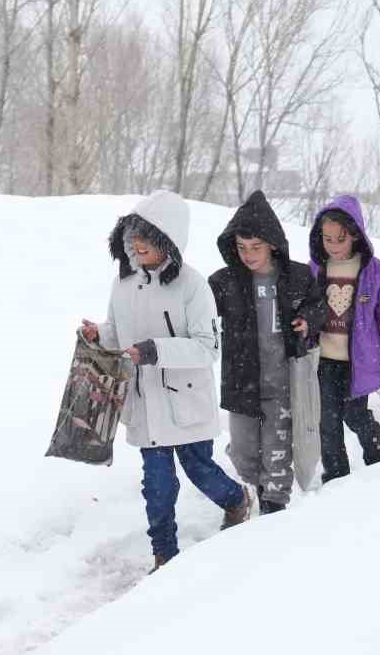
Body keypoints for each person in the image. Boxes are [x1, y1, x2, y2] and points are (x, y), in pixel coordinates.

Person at [80, 190, 251, 571]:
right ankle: (164, 555)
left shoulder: (192, 285)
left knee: (200, 471)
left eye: (147, 240)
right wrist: (99, 334)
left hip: (184, 401)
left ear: (168, 240)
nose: (137, 247)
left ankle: (237, 500)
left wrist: (154, 351)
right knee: (157, 486)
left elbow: (207, 347)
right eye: (133, 238)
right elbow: (118, 332)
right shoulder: (123, 284)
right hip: (144, 403)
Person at [208, 191, 325, 515]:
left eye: (255, 247)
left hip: (283, 384)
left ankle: (274, 506)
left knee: (277, 452)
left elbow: (319, 306)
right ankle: (256, 486)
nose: (248, 254)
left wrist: (308, 319)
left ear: (272, 244)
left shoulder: (297, 276)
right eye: (241, 247)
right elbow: (198, 312)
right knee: (244, 455)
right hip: (242, 383)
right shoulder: (224, 282)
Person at [307, 194, 380, 482]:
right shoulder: (315, 269)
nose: (333, 246)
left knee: (355, 414)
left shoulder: (377, 273)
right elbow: (302, 308)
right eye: (327, 239)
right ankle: (336, 475)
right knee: (327, 420)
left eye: (340, 239)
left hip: (360, 362)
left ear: (355, 234)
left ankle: (378, 451)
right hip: (323, 361)